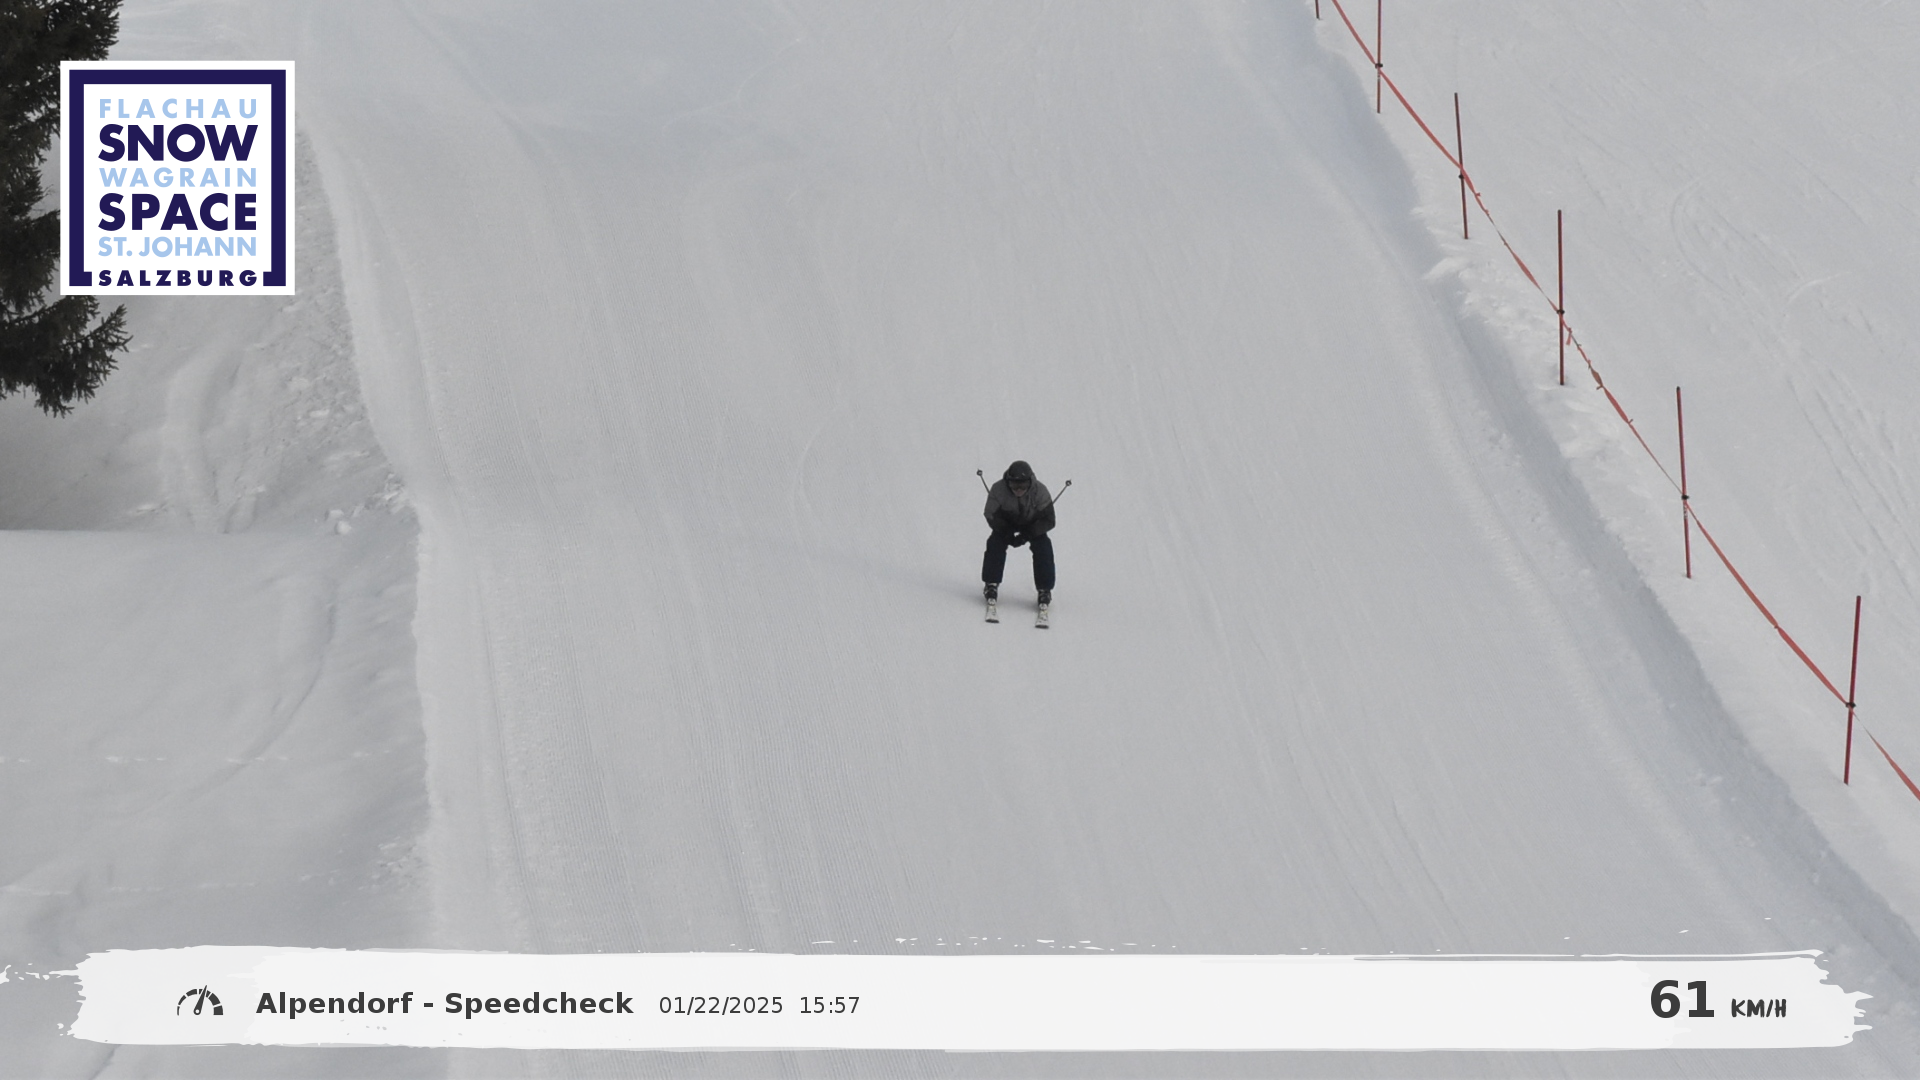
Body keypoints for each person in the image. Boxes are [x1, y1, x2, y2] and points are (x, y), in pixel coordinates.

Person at [981, 460, 1055, 606]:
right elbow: (990, 514)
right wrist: (1006, 532)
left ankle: (1044, 589)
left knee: (1043, 546)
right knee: (995, 543)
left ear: (1030, 482)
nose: (1019, 490)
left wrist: (1028, 534)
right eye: (1014, 485)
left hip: (1031, 524)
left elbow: (1049, 520)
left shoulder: (1040, 491)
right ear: (1008, 482)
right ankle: (991, 584)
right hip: (1006, 523)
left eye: (1023, 485)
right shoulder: (998, 490)